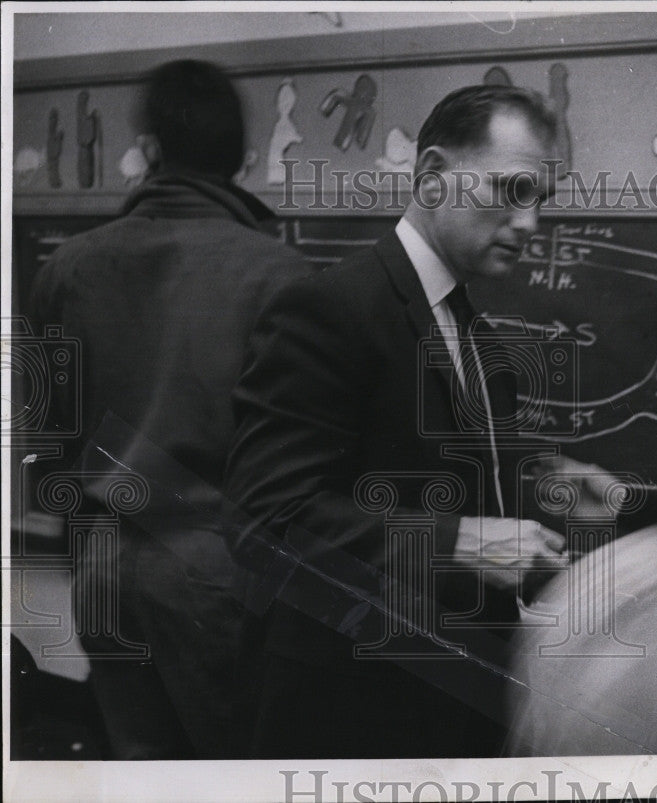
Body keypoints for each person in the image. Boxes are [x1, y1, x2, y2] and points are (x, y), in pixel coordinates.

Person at [224, 85, 569, 758]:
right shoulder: (330, 308)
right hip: (352, 709)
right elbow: (266, 520)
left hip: (453, 700)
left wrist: (545, 480)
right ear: (433, 176)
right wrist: (461, 541)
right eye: (510, 190)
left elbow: (438, 479)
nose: (529, 222)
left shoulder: (475, 330)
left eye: (540, 199)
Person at [28, 59, 311, 758]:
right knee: (236, 770)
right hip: (216, 568)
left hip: (102, 558)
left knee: (139, 765)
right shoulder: (281, 275)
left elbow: (48, 439)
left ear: (150, 148)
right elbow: (299, 464)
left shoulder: (66, 266)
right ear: (244, 158)